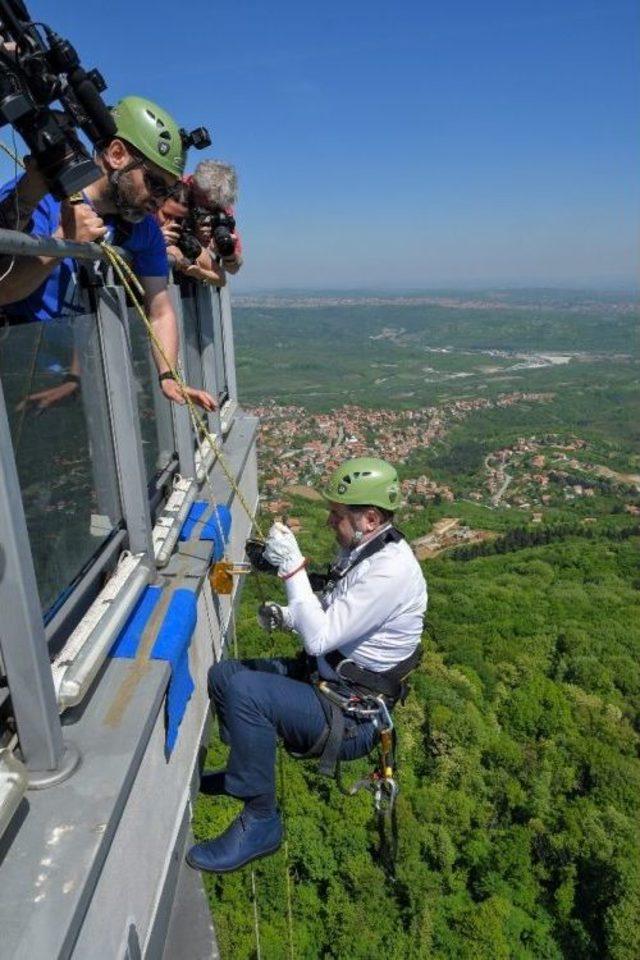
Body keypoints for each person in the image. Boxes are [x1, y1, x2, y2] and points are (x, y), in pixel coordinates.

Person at [187, 457, 428, 874]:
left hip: (352, 715)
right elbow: (332, 614)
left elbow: (319, 638)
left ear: (369, 518)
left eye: (338, 514)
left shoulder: (391, 571)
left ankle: (261, 819)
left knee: (247, 693)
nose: (330, 520)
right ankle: (244, 770)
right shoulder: (365, 553)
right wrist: (288, 613)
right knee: (225, 677)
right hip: (327, 681)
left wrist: (292, 568)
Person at [0, 96, 215, 411]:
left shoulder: (142, 230)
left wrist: (168, 374)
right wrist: (65, 241)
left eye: (167, 191)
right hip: (18, 376)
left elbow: (160, 308)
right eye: (155, 183)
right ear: (117, 154)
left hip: (81, 381)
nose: (159, 200)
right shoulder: (34, 200)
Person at [156, 186, 225, 286]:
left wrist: (199, 273)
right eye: (167, 214)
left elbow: (221, 279)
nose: (171, 222)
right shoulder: (143, 228)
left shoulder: (187, 243)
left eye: (178, 219)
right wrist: (157, 242)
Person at [188, 160, 243, 274]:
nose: (204, 207)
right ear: (193, 183)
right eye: (200, 197)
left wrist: (228, 254)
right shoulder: (174, 190)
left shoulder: (221, 207)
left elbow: (233, 269)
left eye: (211, 205)